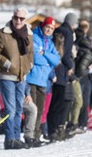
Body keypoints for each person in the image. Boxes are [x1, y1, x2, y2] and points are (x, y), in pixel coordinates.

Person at [0, 7, 34, 150]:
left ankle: (16, 138)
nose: (18, 21)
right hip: (7, 76)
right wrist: (7, 64)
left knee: (19, 108)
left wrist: (29, 65)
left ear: (25, 20)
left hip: (22, 76)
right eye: (16, 18)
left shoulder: (29, 34)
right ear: (12, 17)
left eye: (21, 18)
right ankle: (9, 139)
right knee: (11, 109)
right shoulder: (3, 33)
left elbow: (31, 53)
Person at [25, 17, 60, 144]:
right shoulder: (35, 37)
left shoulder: (50, 43)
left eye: (51, 28)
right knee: (32, 110)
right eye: (47, 27)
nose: (49, 30)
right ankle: (29, 135)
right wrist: (47, 62)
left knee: (40, 110)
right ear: (43, 26)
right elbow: (34, 57)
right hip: (32, 79)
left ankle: (36, 135)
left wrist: (44, 53)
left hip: (43, 81)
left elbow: (57, 60)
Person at [47, 13, 79, 142]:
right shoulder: (68, 32)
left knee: (52, 102)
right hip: (61, 71)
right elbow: (66, 54)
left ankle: (51, 129)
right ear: (73, 23)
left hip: (53, 69)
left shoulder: (58, 30)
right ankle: (54, 131)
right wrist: (70, 65)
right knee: (58, 102)